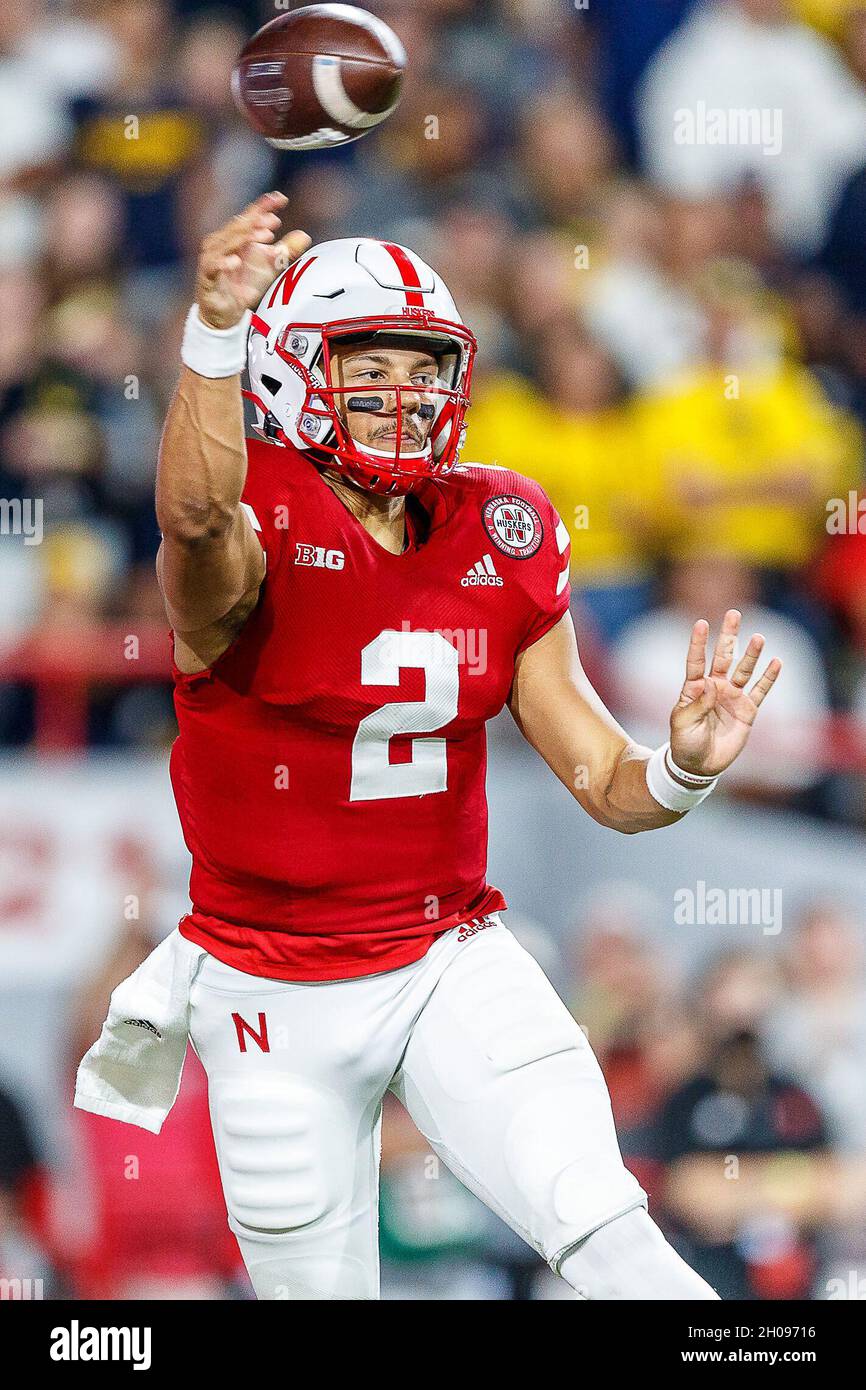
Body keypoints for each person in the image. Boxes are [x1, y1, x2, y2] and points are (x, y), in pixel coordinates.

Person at [76, 192, 781, 1301]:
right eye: (370, 364)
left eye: (423, 367)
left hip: (446, 953)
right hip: (272, 986)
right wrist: (210, 332)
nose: (404, 395)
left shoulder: (501, 523)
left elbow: (605, 781)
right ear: (286, 370)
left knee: (611, 1233)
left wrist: (684, 761)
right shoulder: (255, 516)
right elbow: (199, 525)